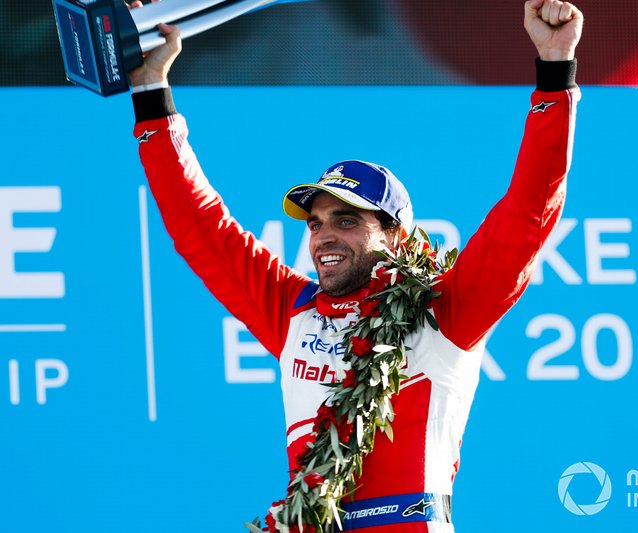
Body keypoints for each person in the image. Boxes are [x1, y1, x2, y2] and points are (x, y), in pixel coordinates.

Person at [130, 0, 583, 530]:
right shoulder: (291, 310)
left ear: (395, 235)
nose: (323, 235)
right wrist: (150, 95)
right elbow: (201, 229)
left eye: (347, 221)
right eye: (315, 222)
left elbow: (528, 214)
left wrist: (555, 74)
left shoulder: (448, 313)